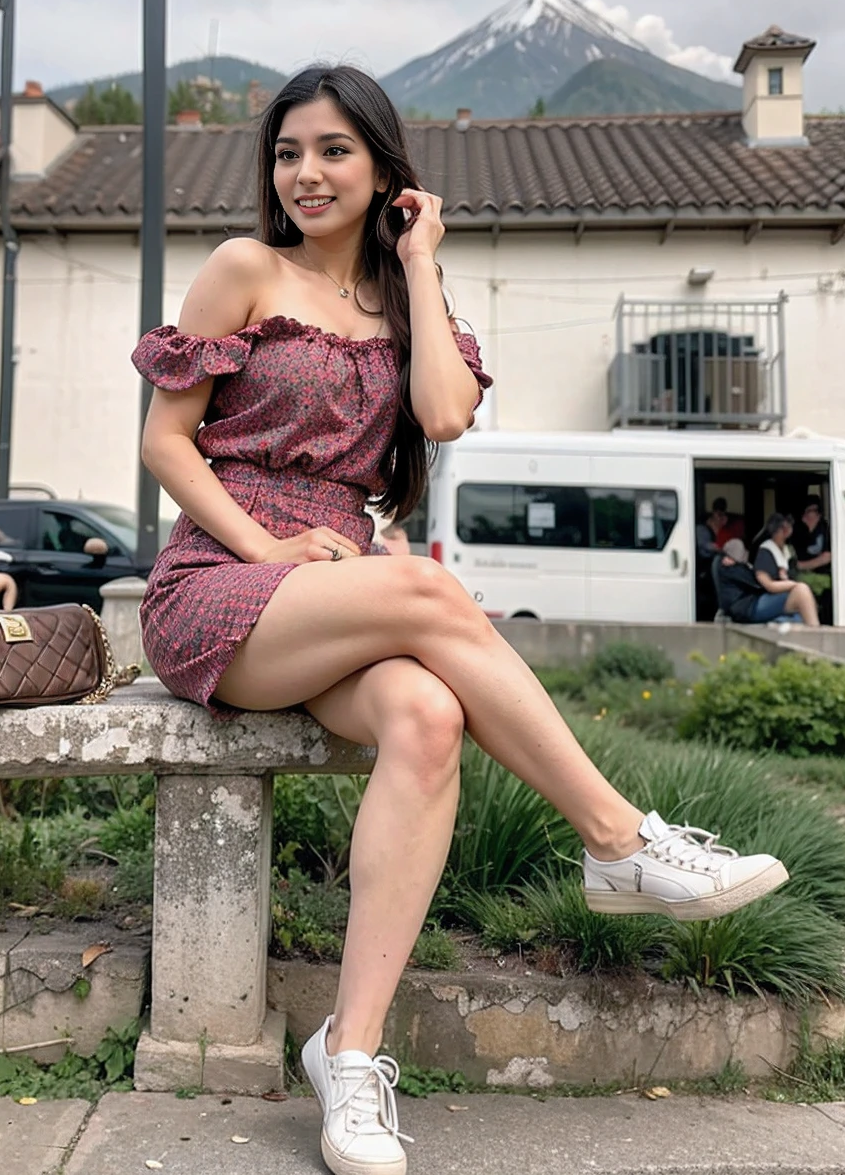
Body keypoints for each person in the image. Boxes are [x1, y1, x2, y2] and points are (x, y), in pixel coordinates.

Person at [131, 64, 789, 1175]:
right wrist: (263, 543)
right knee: (429, 585)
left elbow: (442, 412)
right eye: (289, 151)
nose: (306, 172)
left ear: (387, 167)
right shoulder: (245, 268)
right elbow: (163, 443)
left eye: (335, 149)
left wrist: (422, 260)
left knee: (431, 714)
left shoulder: (407, 300)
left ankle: (350, 1056)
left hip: (339, 587)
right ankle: (620, 840)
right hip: (219, 582)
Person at [712, 538, 807, 624]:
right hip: (745, 608)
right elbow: (758, 583)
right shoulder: (731, 568)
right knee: (796, 600)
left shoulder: (731, 566)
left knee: (796, 611)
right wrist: (774, 578)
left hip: (746, 605)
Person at [752, 511, 820, 627]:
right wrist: (793, 585)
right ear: (777, 530)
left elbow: (796, 570)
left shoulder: (788, 550)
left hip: (784, 596)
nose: (787, 530)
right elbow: (768, 584)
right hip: (764, 600)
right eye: (784, 527)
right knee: (802, 591)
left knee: (806, 608)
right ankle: (818, 634)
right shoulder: (765, 550)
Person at [793, 496, 832, 624]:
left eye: (809, 512)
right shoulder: (801, 533)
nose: (805, 517)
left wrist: (801, 566)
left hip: (826, 580)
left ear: (818, 513)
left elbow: (827, 557)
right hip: (808, 580)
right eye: (804, 513)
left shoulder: (826, 530)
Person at [694, 499, 727, 620]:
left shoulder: (723, 528)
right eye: (718, 514)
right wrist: (717, 529)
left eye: (722, 514)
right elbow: (709, 548)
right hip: (703, 572)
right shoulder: (701, 529)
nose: (720, 517)